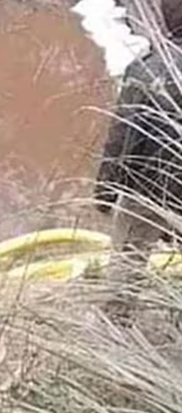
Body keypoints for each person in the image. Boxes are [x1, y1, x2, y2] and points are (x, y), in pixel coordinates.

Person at [94, 0, 182, 323]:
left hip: (147, 192)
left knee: (127, 256)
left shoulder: (146, 70)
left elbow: (121, 141)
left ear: (166, 25)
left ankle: (118, 319)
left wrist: (105, 194)